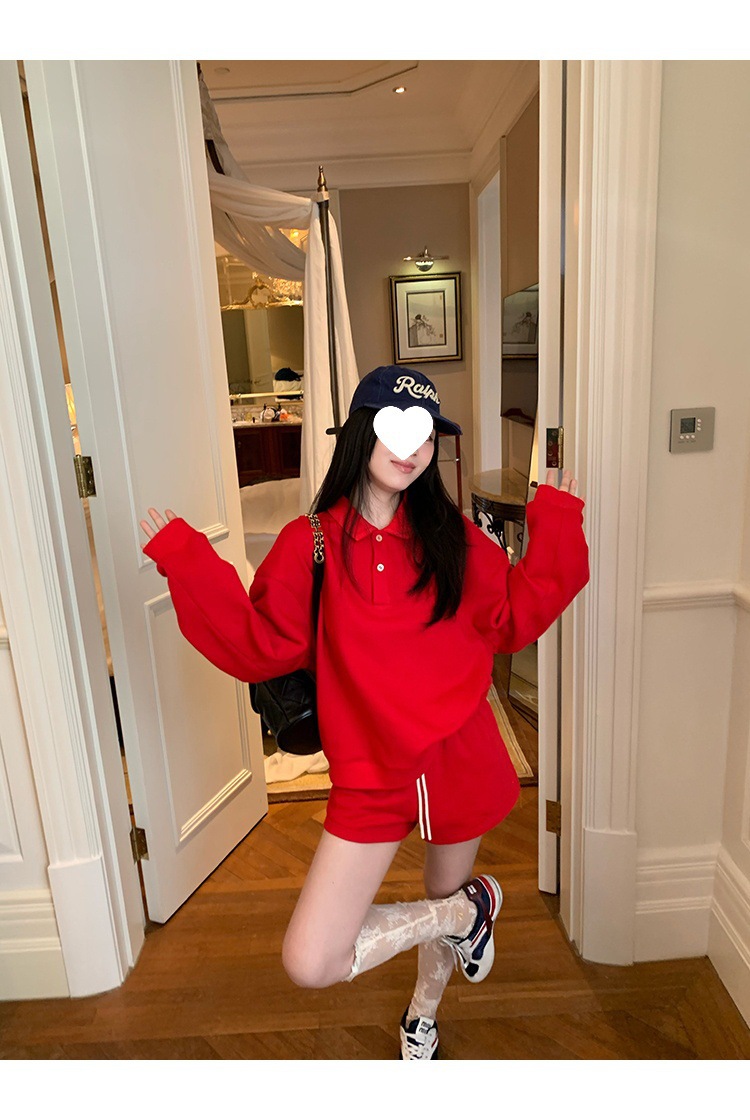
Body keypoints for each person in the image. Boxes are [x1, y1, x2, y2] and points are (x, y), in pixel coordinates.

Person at [140, 364, 589, 1060]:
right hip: (371, 774)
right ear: (359, 432)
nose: (412, 448)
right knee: (311, 959)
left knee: (441, 898)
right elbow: (258, 645)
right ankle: (466, 913)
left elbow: (513, 620)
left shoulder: (454, 539)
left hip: (458, 757)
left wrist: (554, 521)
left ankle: (423, 1016)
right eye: (395, 428)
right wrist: (187, 560)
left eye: (426, 435)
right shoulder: (310, 543)